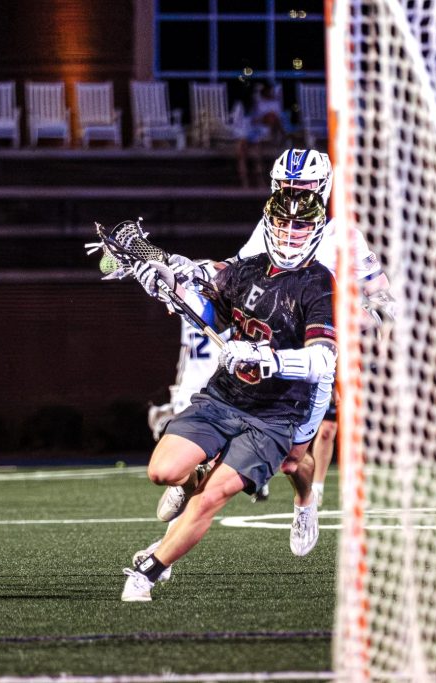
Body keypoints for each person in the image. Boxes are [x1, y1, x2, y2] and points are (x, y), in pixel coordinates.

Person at [148, 148, 394, 517]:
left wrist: (357, 322)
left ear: (323, 187)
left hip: (310, 356)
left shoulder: (343, 236)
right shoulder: (271, 226)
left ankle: (305, 502)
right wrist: (195, 271)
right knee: (225, 414)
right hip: (260, 345)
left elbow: (383, 302)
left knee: (292, 461)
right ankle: (189, 481)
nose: (293, 193)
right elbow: (234, 271)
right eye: (285, 184)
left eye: (303, 185)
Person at [121, 188, 336, 602]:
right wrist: (173, 290)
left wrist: (266, 357)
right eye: (283, 223)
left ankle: (149, 572)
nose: (290, 233)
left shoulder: (319, 282)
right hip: (226, 396)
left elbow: (324, 359)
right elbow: (210, 315)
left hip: (277, 411)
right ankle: (191, 480)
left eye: (300, 225)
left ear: (315, 229)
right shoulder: (248, 268)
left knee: (270, 472)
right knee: (162, 472)